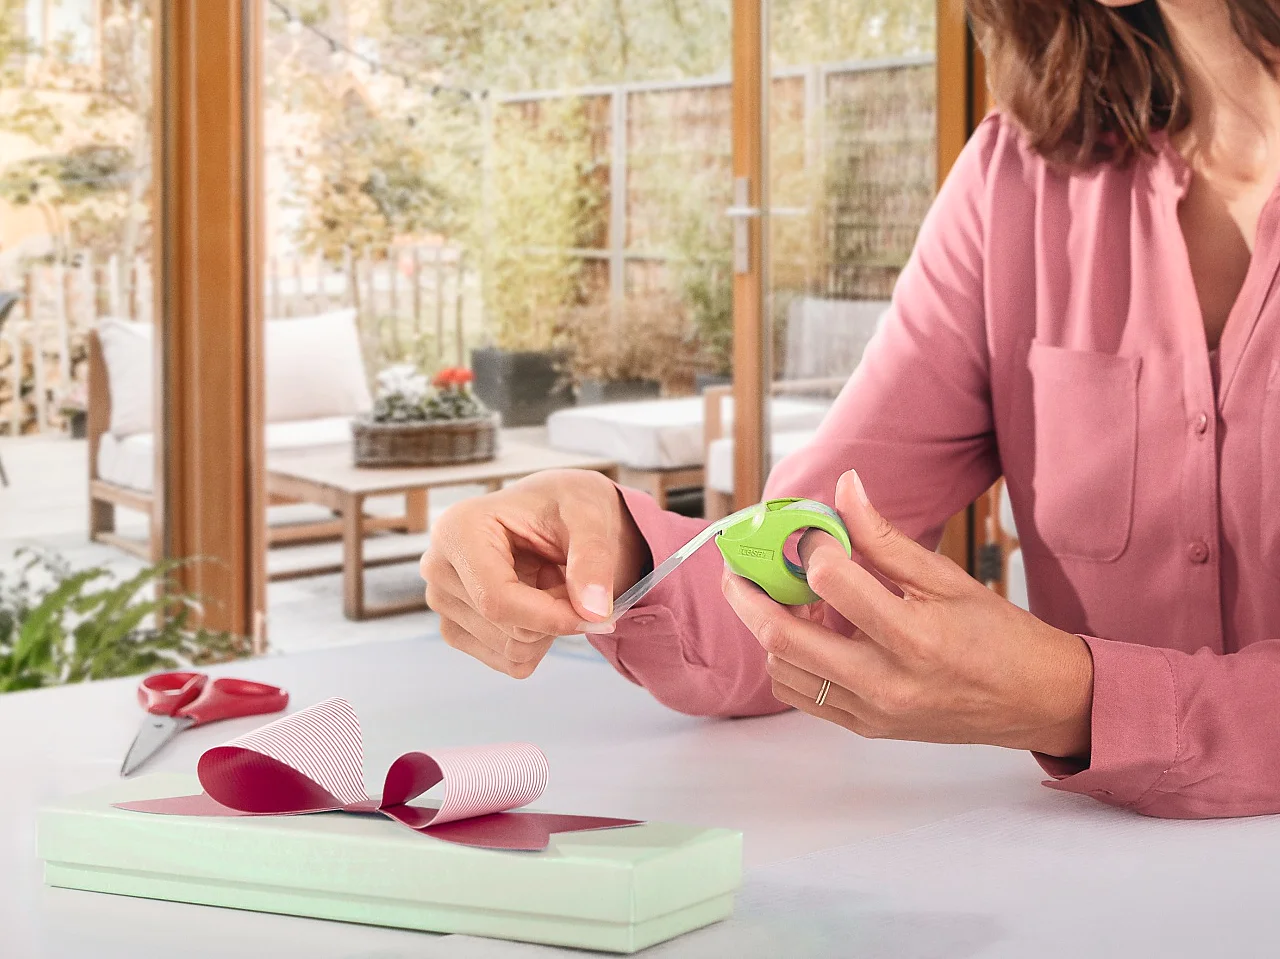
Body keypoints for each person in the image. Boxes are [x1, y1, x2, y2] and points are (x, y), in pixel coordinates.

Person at [421, 0, 1280, 820]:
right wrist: (617, 548)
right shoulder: (1019, 181)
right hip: (1091, 885)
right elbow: (816, 568)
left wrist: (1077, 700)